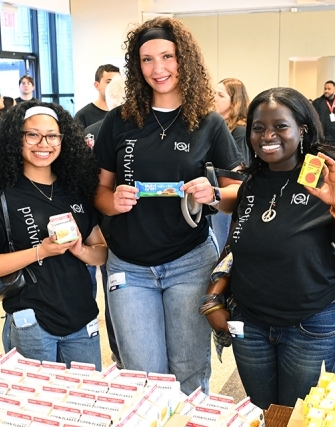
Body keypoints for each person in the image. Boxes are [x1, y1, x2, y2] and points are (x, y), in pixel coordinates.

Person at [93, 17, 244, 395]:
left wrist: (212, 194)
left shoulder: (209, 123)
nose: (158, 69)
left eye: (167, 56)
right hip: (129, 266)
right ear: (136, 66)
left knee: (191, 373)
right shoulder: (119, 121)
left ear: (184, 60)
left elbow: (238, 194)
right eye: (146, 60)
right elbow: (97, 192)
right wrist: (112, 203)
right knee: (143, 378)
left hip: (190, 263)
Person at [203, 87, 335, 409]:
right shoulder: (251, 182)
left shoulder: (326, 180)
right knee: (266, 415)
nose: (267, 135)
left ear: (302, 128)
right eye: (258, 127)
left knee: (297, 418)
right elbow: (236, 248)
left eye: (280, 126)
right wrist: (213, 299)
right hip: (250, 328)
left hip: (311, 327)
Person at [0, 101, 107, 368]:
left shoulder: (75, 190)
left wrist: (81, 250)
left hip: (82, 319)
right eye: (32, 134)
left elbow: (100, 250)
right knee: (38, 405)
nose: (44, 143)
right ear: (16, 139)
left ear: (63, 140)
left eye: (52, 135)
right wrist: (40, 251)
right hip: (31, 321)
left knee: (87, 400)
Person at [83, 74, 127, 369]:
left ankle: (118, 354)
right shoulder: (115, 131)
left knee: (111, 294)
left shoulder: (90, 130)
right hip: (121, 229)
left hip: (97, 224)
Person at [210, 77, 251, 250]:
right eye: (214, 93)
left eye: (220, 95)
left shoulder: (240, 130)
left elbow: (238, 170)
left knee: (222, 244)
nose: (214, 98)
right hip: (216, 191)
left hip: (229, 192)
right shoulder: (220, 126)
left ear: (234, 102)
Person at [74, 64, 120, 128]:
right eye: (109, 82)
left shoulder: (123, 113)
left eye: (117, 82)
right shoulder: (83, 116)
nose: (113, 86)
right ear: (97, 85)